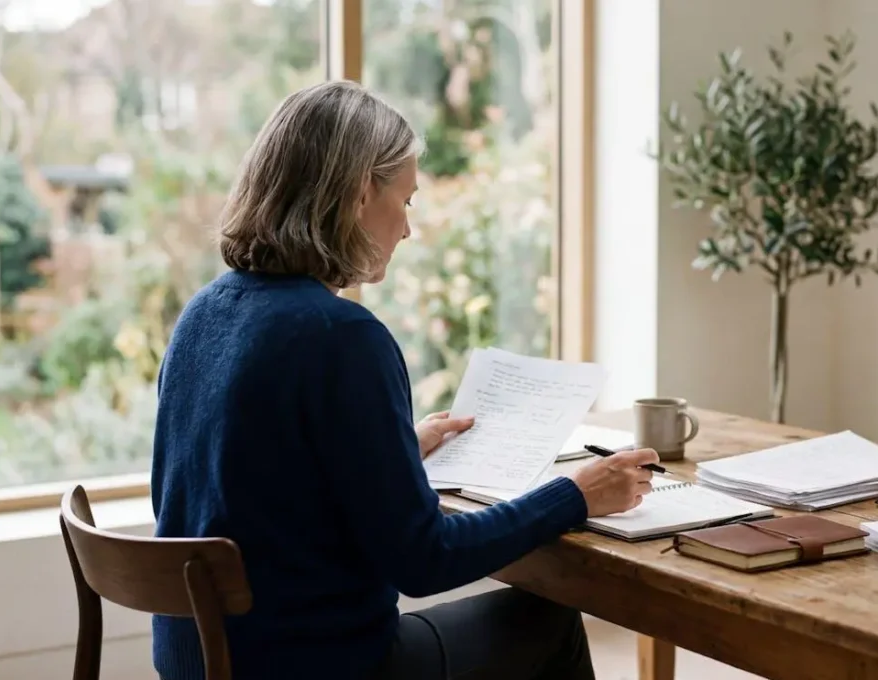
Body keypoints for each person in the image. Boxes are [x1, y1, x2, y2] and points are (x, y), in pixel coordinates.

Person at [149, 79, 661, 680]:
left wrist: (394, 453)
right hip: (319, 667)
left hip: (199, 661)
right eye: (407, 200)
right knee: (548, 624)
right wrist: (576, 495)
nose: (408, 229)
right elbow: (424, 563)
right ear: (362, 191)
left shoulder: (203, 314)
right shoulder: (342, 336)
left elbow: (236, 487)